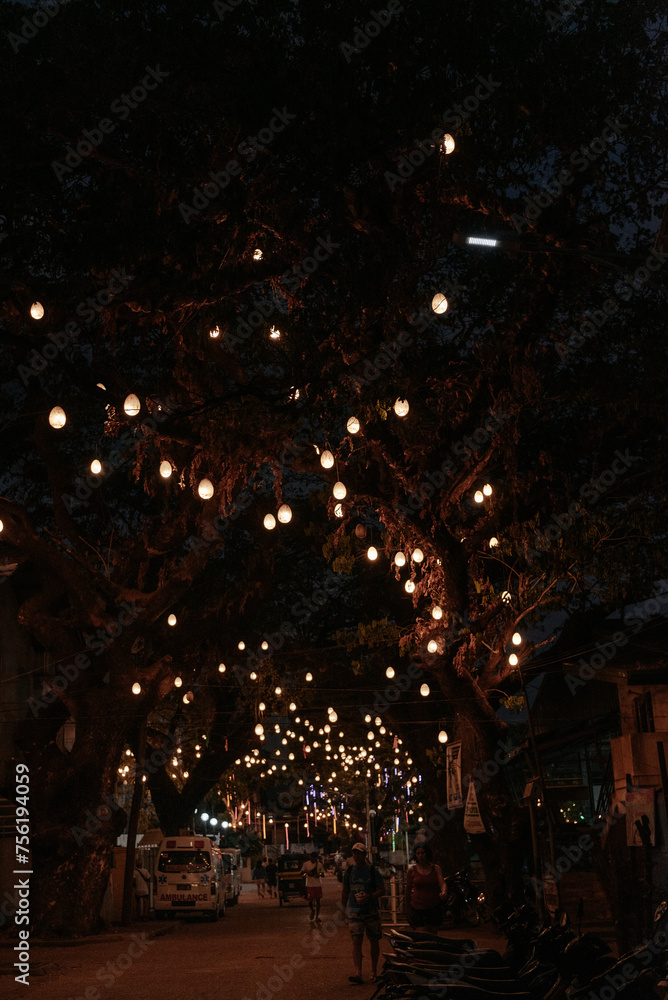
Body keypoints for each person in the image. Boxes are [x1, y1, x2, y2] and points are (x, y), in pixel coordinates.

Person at [341, 842, 385, 985]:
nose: (356, 856)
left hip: (371, 911)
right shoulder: (349, 871)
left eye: (359, 853)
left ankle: (373, 971)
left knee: (374, 941)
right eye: (354, 853)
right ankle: (358, 972)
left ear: (364, 855)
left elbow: (381, 890)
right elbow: (345, 891)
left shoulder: (372, 871)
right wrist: (343, 909)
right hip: (355, 912)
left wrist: (370, 896)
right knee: (356, 941)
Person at [405, 843, 447, 933]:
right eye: (418, 853)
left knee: (433, 934)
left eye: (422, 853)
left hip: (433, 906)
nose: (420, 856)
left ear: (427, 853)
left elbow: (442, 883)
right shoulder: (412, 870)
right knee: (422, 934)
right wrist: (407, 907)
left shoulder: (435, 868)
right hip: (418, 907)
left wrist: (443, 892)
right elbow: (408, 890)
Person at [300, 851, 325, 922]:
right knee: (310, 901)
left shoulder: (319, 864)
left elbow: (323, 874)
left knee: (318, 901)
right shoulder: (306, 864)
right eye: (312, 858)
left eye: (314, 858)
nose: (313, 859)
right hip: (310, 885)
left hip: (317, 885)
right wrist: (306, 872)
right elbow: (301, 872)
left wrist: (319, 874)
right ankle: (312, 910)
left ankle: (317, 916)